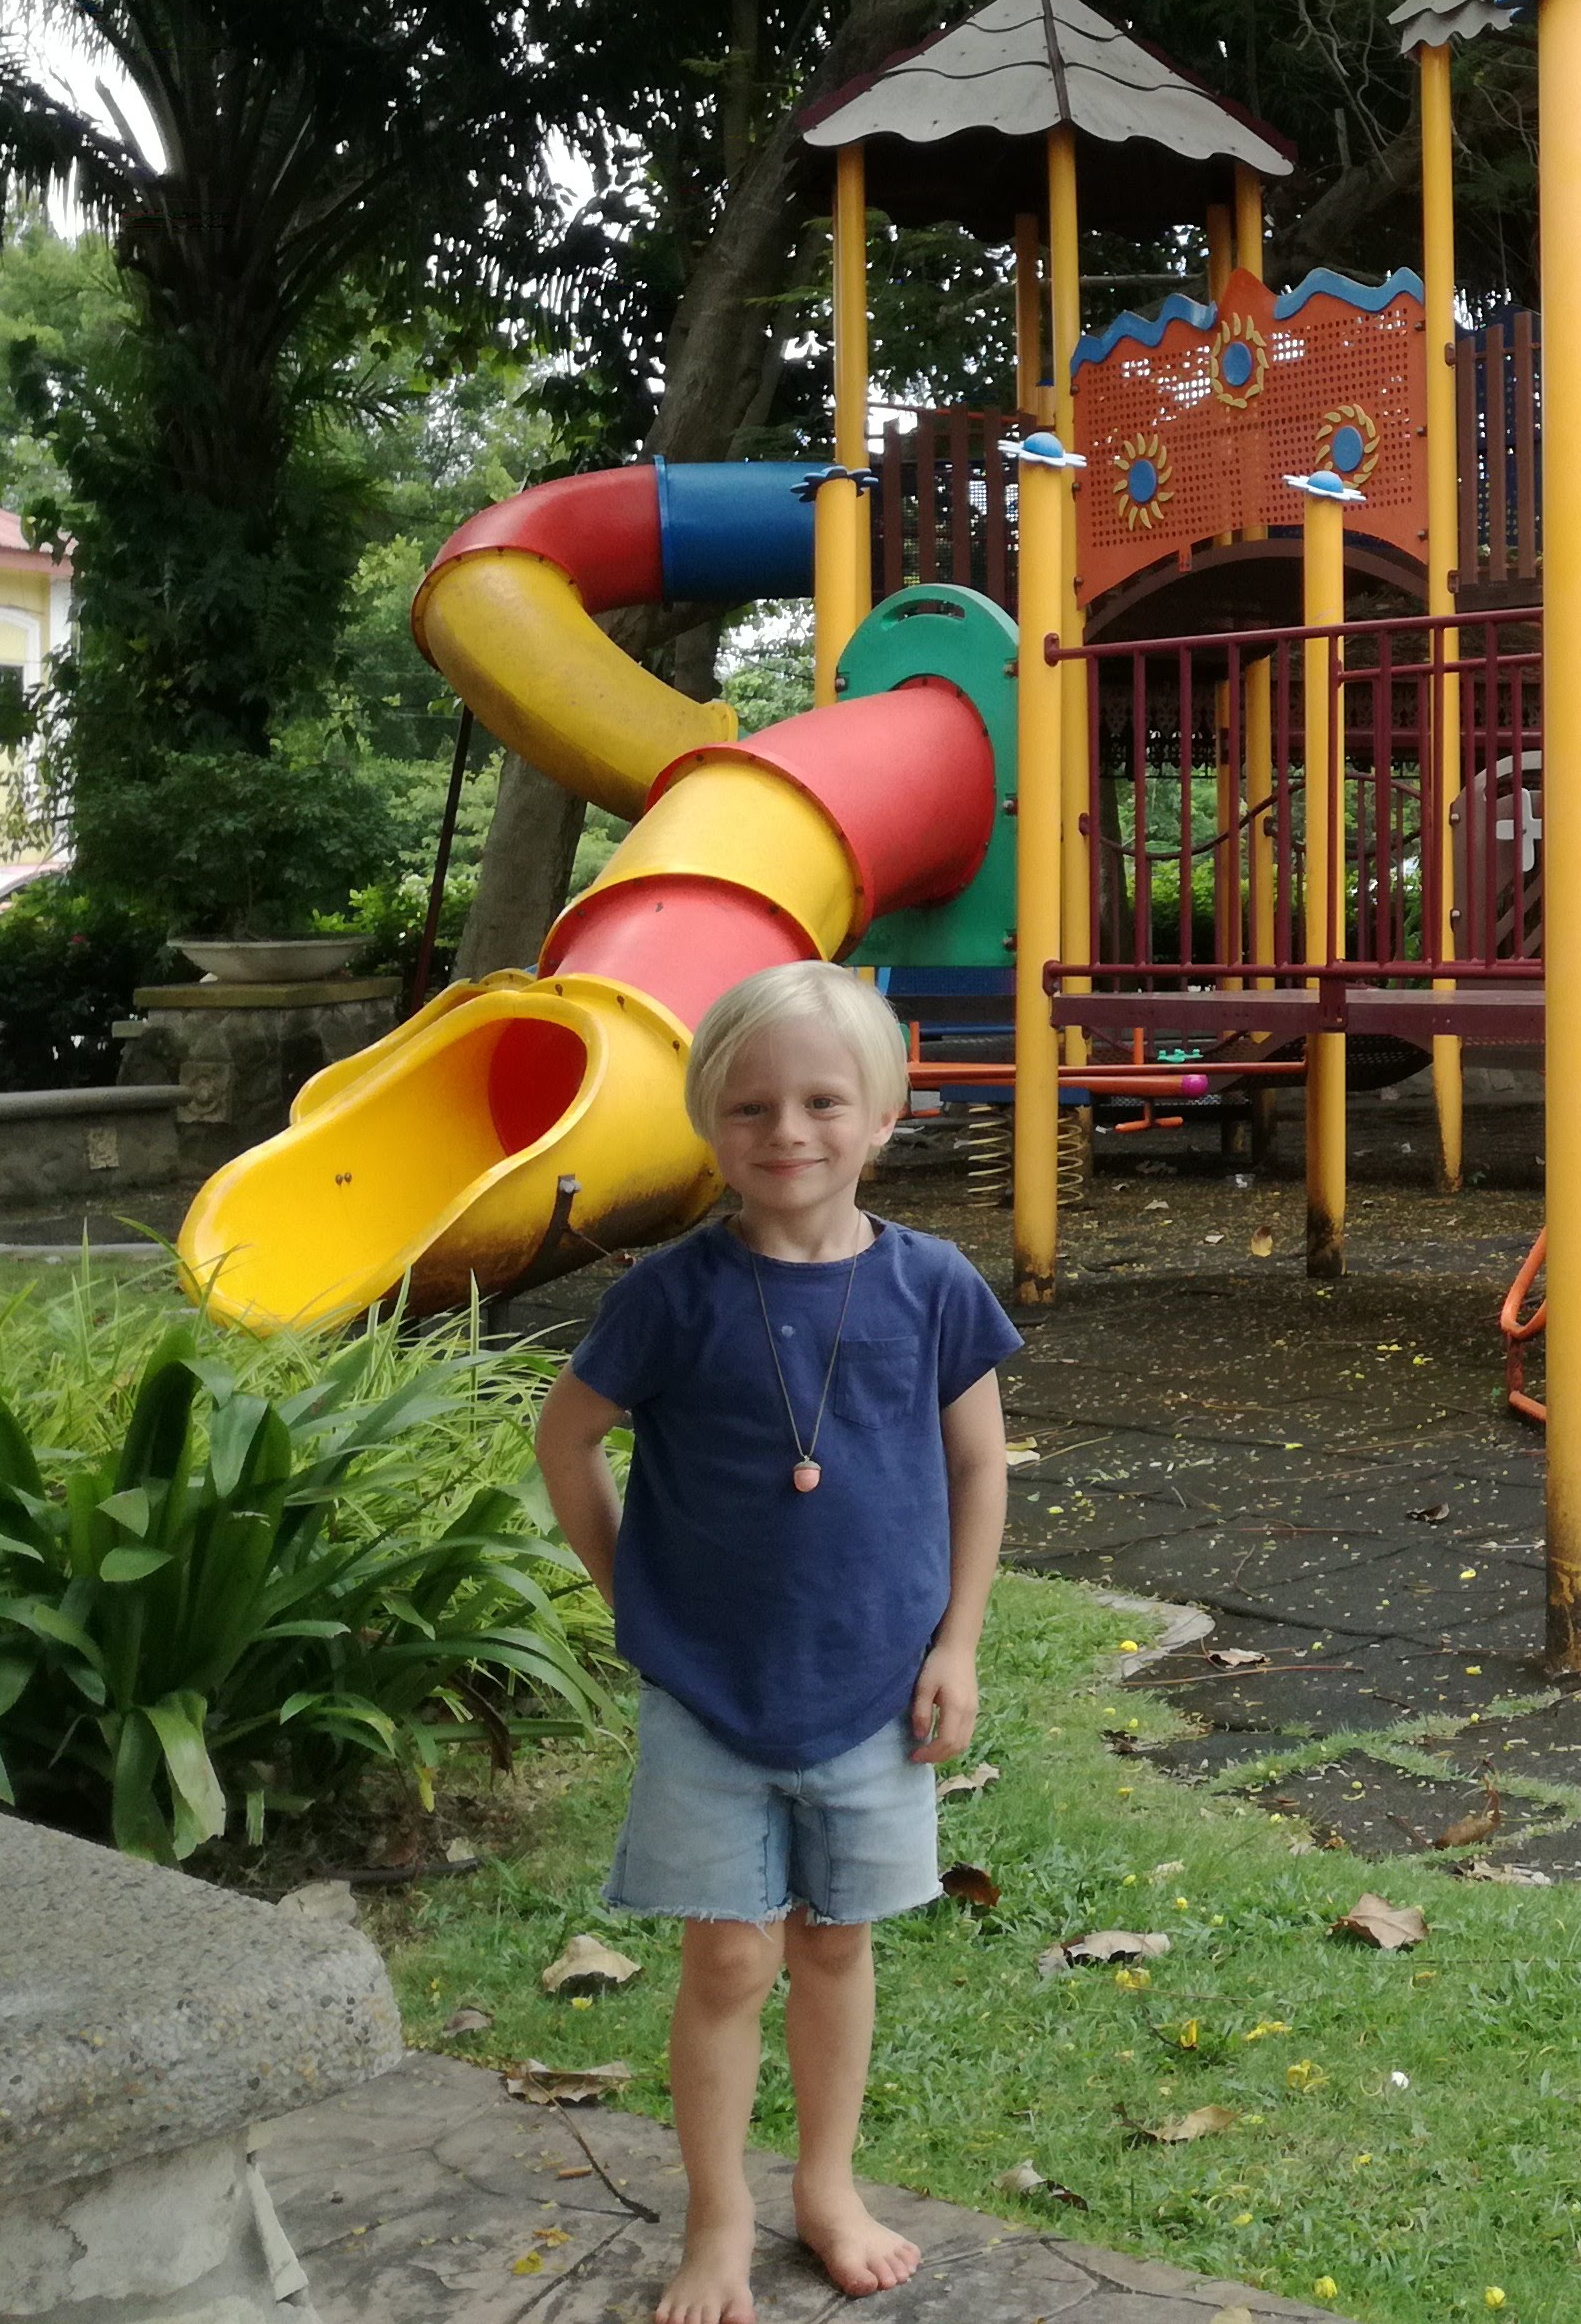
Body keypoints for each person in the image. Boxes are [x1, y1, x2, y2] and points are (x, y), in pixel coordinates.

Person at [536, 959, 1017, 2319]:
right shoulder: (674, 1295)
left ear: (882, 1115)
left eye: (823, 1102)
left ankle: (827, 2184)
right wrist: (633, 1594)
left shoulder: (934, 1288)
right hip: (710, 1691)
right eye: (750, 1108)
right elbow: (566, 1438)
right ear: (709, 1125)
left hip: (877, 1687)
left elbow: (980, 1470)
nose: (788, 1133)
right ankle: (721, 2216)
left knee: (835, 1945)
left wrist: (959, 1645)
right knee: (731, 1958)